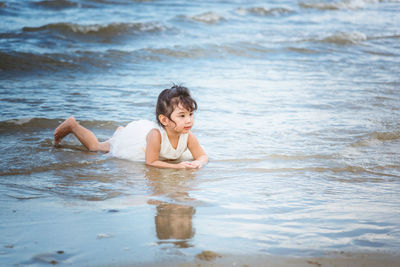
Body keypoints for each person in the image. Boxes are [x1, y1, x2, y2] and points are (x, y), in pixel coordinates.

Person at [53, 85, 208, 169]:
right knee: (96, 148)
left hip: (138, 136)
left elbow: (203, 156)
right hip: (134, 144)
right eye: (182, 116)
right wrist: (177, 167)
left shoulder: (188, 136)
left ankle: (120, 132)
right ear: (165, 120)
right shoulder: (156, 135)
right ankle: (73, 125)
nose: (188, 120)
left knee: (114, 138)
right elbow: (151, 162)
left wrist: (198, 162)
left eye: (190, 114)